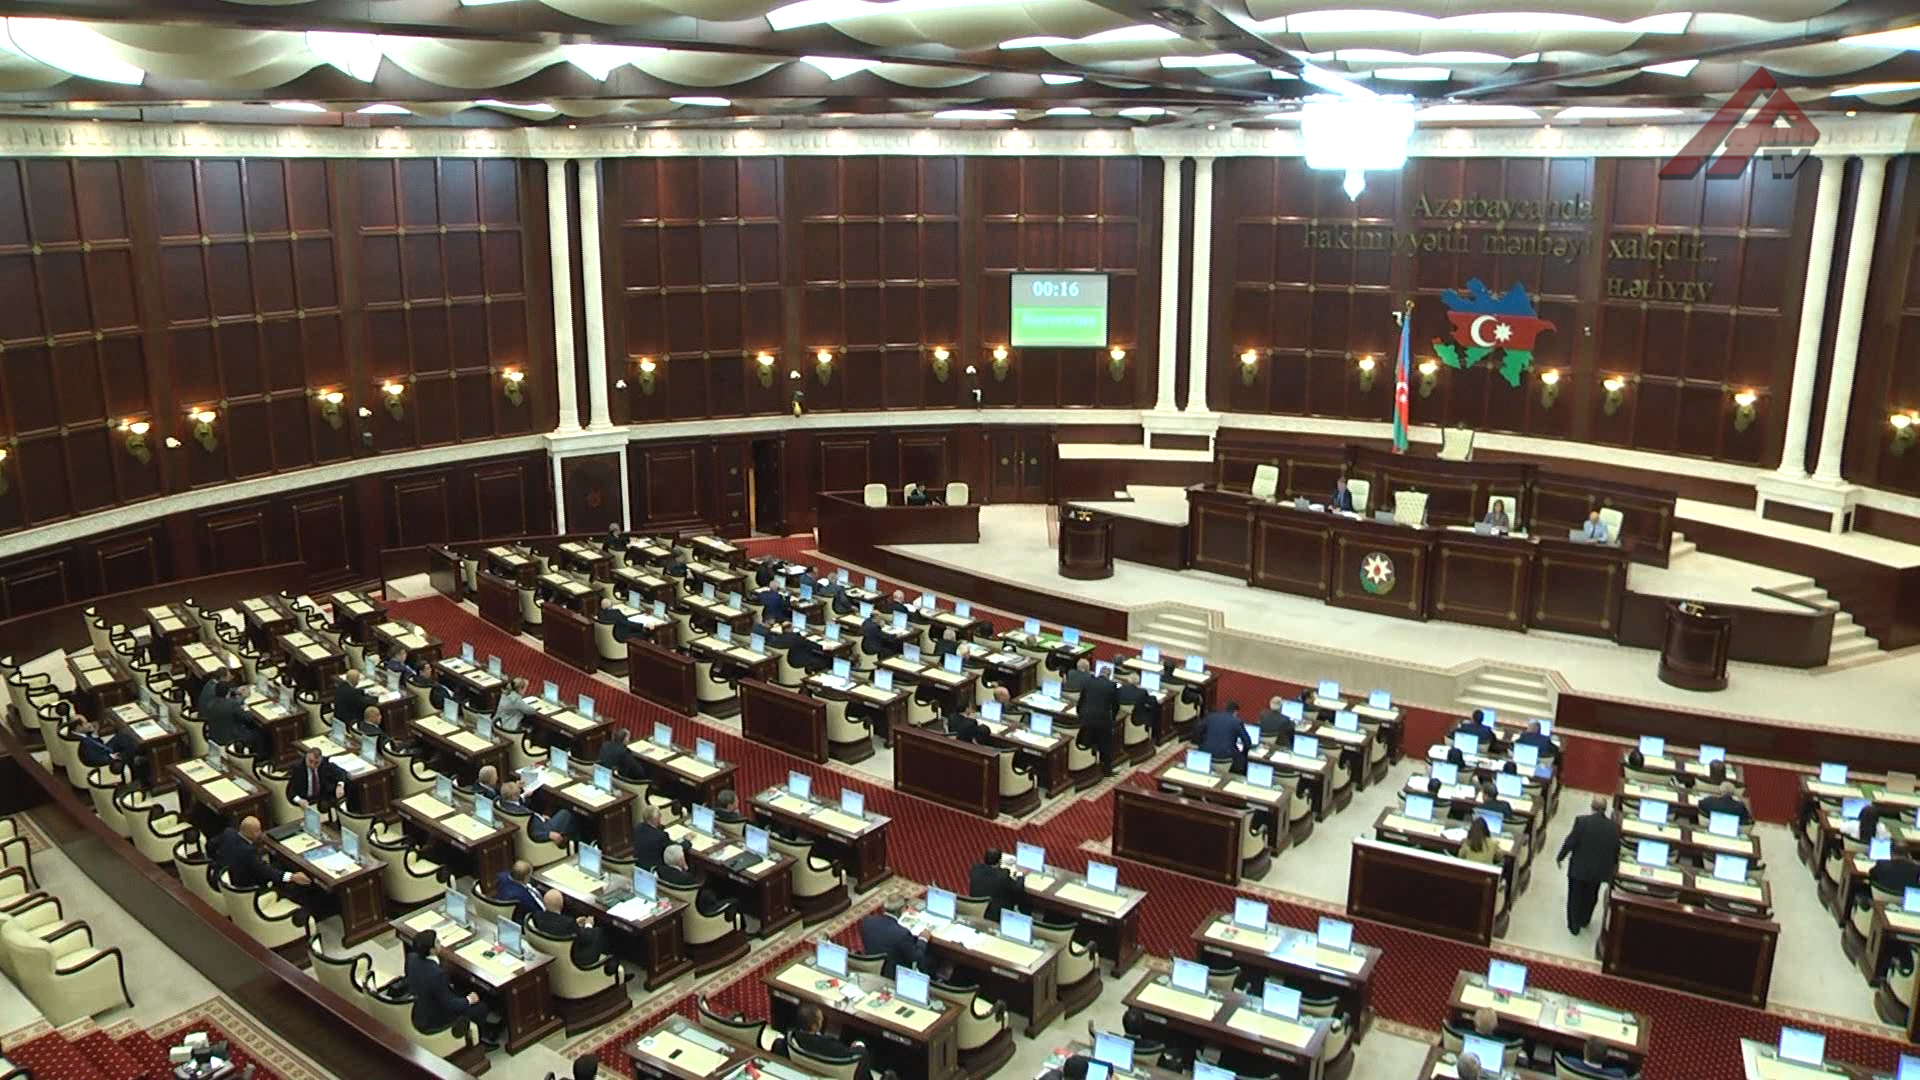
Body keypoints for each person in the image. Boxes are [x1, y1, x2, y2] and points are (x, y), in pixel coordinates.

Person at [403, 929, 493, 1043]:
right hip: (436, 1016)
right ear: (432, 950)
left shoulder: (411, 958)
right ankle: (479, 1040)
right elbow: (451, 1005)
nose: (440, 942)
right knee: (481, 1007)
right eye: (437, 942)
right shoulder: (436, 974)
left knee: (460, 988)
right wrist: (469, 1000)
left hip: (421, 1006)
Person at [1557, 795, 1620, 935]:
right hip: (1598, 871)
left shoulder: (1581, 822)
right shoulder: (1613, 827)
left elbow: (1571, 842)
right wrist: (1613, 867)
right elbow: (1616, 849)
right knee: (1591, 896)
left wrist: (1560, 857)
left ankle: (1574, 927)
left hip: (1579, 868)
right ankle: (1585, 920)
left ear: (1592, 807)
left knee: (1575, 897)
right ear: (1605, 809)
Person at [210, 816, 311, 892]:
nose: (260, 833)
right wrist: (292, 877)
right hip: (246, 886)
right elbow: (266, 871)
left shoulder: (228, 833)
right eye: (258, 830)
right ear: (253, 833)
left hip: (222, 874)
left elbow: (210, 845)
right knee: (280, 871)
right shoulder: (248, 852)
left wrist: (217, 861)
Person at [528, 888, 614, 971]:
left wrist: (576, 924)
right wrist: (589, 924)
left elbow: (559, 926)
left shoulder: (537, 916)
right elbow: (586, 938)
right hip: (576, 958)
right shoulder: (567, 923)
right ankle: (613, 962)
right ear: (561, 904)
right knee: (599, 932)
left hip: (553, 953)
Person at [858, 897, 930, 977]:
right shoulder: (902, 934)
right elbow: (915, 957)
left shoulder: (867, 922)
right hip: (893, 973)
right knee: (930, 959)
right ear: (902, 909)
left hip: (871, 966)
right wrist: (923, 939)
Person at [773, 1002, 860, 1062]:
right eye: (821, 1020)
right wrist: (859, 1046)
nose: (822, 1022)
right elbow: (852, 1055)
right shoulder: (829, 1045)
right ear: (814, 1026)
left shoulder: (790, 1036)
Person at [659, 845, 728, 917]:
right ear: (681, 860)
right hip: (702, 911)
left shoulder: (659, 870)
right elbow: (706, 897)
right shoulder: (688, 880)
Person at [501, 779, 574, 845]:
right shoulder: (521, 813)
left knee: (554, 807)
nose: (520, 793)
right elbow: (535, 833)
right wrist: (549, 834)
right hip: (544, 829)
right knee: (566, 812)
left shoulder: (504, 803)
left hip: (539, 821)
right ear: (513, 797)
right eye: (518, 793)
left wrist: (540, 817)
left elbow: (517, 802)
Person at [1076, 664, 1120, 770]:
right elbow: (1115, 705)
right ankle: (1106, 767)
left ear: (1099, 673)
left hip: (1086, 717)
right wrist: (1113, 718)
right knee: (1104, 744)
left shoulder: (1088, 682)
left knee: (1087, 741)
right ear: (1109, 675)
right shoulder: (1111, 685)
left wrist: (1080, 714)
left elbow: (1081, 700)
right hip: (1102, 719)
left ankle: (1088, 766)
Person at [1195, 701, 1253, 774]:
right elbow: (1247, 742)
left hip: (1206, 754)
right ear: (1235, 712)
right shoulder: (1236, 721)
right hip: (1225, 758)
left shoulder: (1211, 717)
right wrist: (1243, 754)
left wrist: (1202, 743)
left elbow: (1197, 730)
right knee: (1241, 762)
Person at [967, 849, 1024, 919]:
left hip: (976, 908)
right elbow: (1018, 888)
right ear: (999, 861)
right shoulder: (1002, 876)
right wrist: (1020, 874)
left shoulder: (975, 869)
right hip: (995, 914)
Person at [632, 806, 676, 871]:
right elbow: (674, 849)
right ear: (656, 819)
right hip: (655, 869)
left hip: (640, 865)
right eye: (660, 816)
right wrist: (686, 841)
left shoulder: (637, 828)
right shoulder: (660, 836)